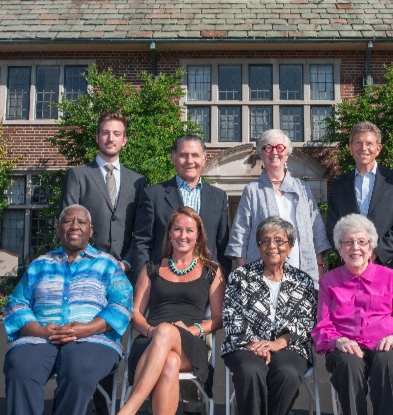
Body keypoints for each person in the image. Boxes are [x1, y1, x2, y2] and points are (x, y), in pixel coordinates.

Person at [2, 204, 133, 415]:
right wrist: (38, 330)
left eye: (81, 222)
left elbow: (122, 304)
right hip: (40, 338)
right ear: (58, 229)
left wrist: (88, 329)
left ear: (91, 231)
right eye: (67, 221)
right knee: (21, 366)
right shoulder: (40, 264)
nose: (74, 226)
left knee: (79, 369)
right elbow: (16, 304)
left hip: (92, 340)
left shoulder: (108, 265)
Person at [312, 213, 393, 415]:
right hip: (347, 347)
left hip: (388, 344)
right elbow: (323, 327)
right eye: (348, 242)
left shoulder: (391, 277)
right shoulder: (329, 282)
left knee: (387, 360)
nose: (355, 247)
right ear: (339, 249)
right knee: (349, 363)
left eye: (362, 241)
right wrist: (338, 341)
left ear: (371, 247)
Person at [119, 206, 225, 415]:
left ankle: (128, 410)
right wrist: (153, 331)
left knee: (167, 332)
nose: (182, 235)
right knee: (169, 361)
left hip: (190, 344)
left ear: (198, 235)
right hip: (150, 342)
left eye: (189, 230)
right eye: (177, 229)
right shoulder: (152, 268)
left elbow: (218, 318)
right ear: (169, 233)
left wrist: (191, 330)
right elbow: (136, 313)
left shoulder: (212, 270)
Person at [222, 216, 318, 415]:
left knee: (287, 373)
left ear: (290, 247)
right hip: (246, 345)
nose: (271, 246)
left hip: (289, 346)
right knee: (250, 371)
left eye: (279, 241)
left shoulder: (303, 281)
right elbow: (232, 315)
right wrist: (253, 344)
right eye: (265, 241)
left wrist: (277, 343)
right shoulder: (241, 277)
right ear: (258, 246)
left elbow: (307, 322)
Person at [226, 129, 331, 285]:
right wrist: (245, 272)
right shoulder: (252, 191)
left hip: (301, 270)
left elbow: (317, 231)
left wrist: (319, 266)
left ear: (286, 155)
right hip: (260, 273)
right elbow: (240, 235)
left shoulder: (302, 188)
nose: (274, 152)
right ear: (262, 154)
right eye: (268, 147)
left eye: (279, 148)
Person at [133, 134, 230, 281]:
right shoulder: (154, 195)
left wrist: (222, 280)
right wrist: (144, 281)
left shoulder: (219, 197)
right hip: (163, 284)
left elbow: (223, 246)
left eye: (195, 155)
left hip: (207, 284)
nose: (189, 161)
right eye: (183, 155)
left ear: (204, 160)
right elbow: (142, 243)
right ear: (173, 158)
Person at [61, 112, 147, 275]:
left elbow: (142, 230)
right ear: (97, 137)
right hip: (85, 268)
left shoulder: (137, 181)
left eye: (117, 134)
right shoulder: (78, 175)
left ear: (124, 141)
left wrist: (127, 262)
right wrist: (87, 259)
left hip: (123, 272)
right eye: (105, 133)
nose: (111, 138)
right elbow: (68, 225)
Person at [326, 121, 393, 276]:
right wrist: (352, 254)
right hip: (349, 269)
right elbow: (333, 226)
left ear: (378, 149)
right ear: (350, 148)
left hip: (387, 268)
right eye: (358, 143)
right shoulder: (339, 186)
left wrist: (376, 253)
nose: (363, 148)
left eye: (369, 143)